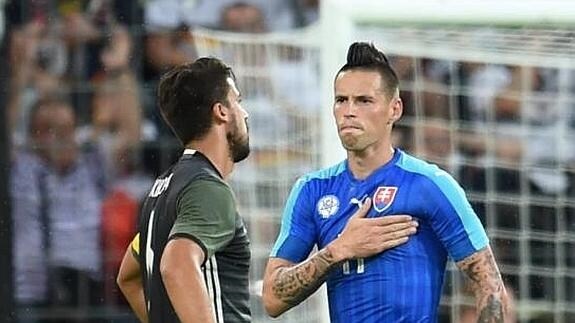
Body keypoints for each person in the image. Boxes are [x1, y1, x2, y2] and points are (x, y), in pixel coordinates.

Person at [262, 42, 511, 322]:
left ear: (395, 109)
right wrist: (338, 250)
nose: (349, 111)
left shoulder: (431, 185)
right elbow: (272, 298)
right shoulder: (311, 190)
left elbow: (489, 286)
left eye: (364, 100)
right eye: (341, 100)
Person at [116, 57, 251, 323]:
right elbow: (176, 265)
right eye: (238, 101)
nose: (245, 113)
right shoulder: (207, 189)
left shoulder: (163, 188)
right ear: (221, 111)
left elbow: (128, 277)